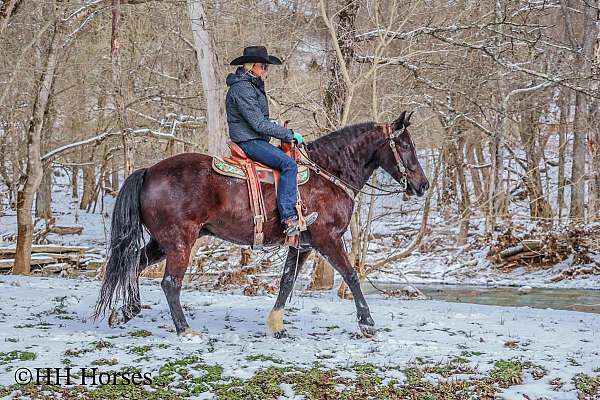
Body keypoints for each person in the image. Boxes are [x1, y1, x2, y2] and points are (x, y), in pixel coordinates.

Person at [225, 46, 317, 236]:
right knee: (289, 165)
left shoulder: (249, 85)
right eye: (263, 66)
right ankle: (289, 218)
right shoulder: (242, 88)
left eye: (267, 66)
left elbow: (258, 119)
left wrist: (275, 125)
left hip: (253, 137)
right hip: (249, 141)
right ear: (251, 67)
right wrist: (288, 134)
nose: (266, 71)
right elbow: (258, 124)